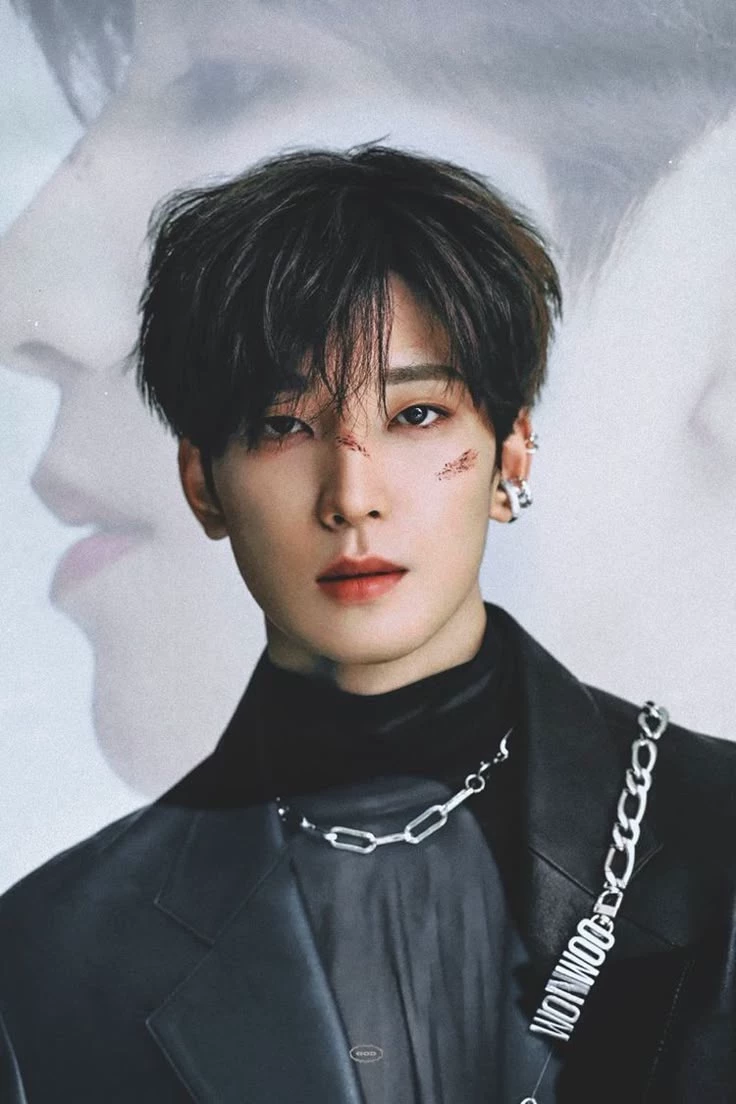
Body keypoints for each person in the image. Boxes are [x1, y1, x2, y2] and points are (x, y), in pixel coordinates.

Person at [1, 144, 734, 1103]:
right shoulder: (48, 959)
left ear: (511, 453)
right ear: (203, 484)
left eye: (417, 415)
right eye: (282, 425)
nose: (352, 496)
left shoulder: (718, 833)